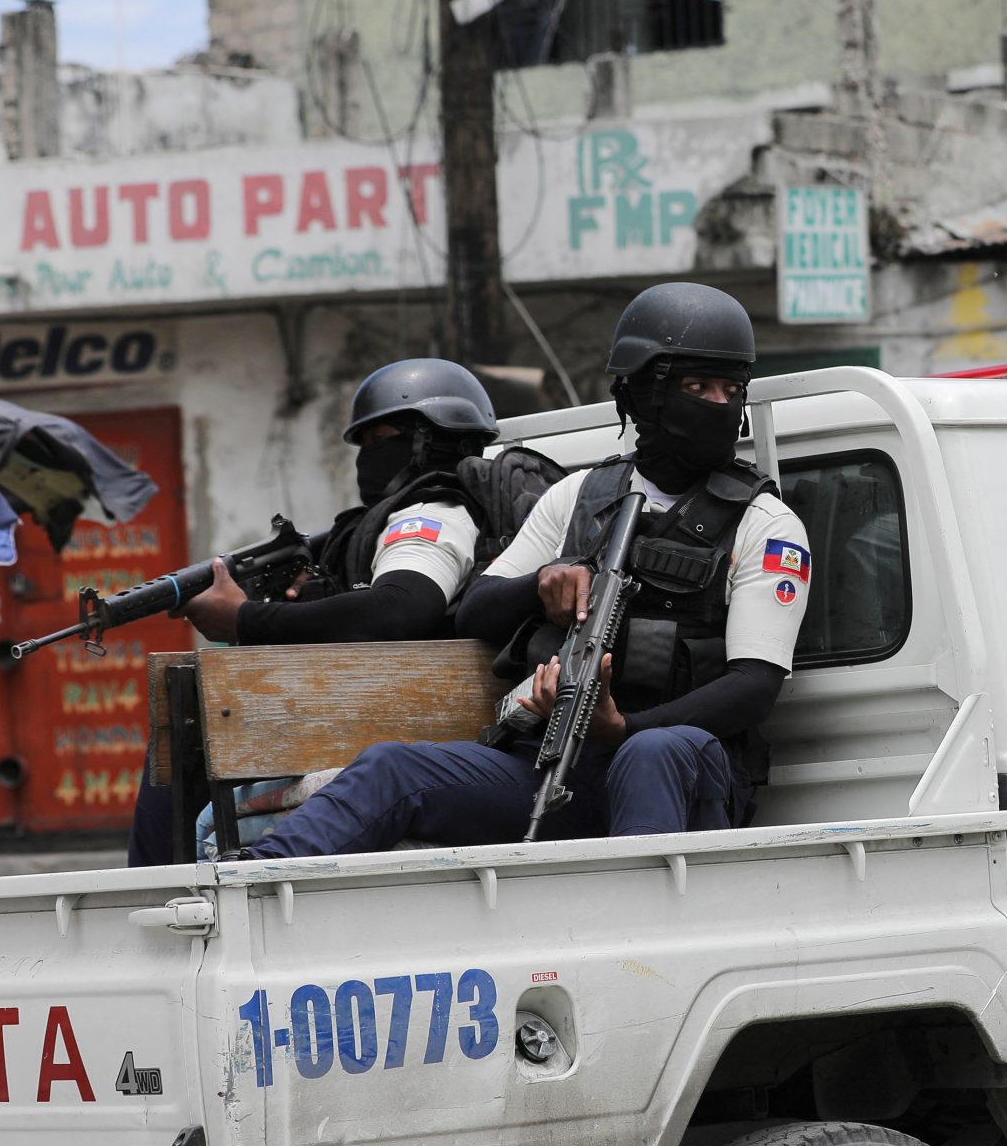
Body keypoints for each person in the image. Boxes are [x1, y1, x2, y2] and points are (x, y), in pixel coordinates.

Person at [245, 282, 809, 857]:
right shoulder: (579, 496)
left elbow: (753, 688)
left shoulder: (766, 523)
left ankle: (639, 939)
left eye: (730, 389)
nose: (718, 403)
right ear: (643, 392)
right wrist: (545, 585)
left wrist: (623, 729)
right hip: (556, 763)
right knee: (391, 768)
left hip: (685, 777)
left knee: (654, 751)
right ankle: (247, 888)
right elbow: (477, 610)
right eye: (697, 386)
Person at [123, 359, 505, 864]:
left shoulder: (434, 513)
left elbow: (401, 608)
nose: (367, 458)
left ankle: (152, 886)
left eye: (381, 440)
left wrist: (244, 620)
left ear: (429, 440)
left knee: (193, 721)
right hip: (365, 721)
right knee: (188, 717)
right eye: (361, 444)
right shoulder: (387, 521)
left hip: (404, 734)